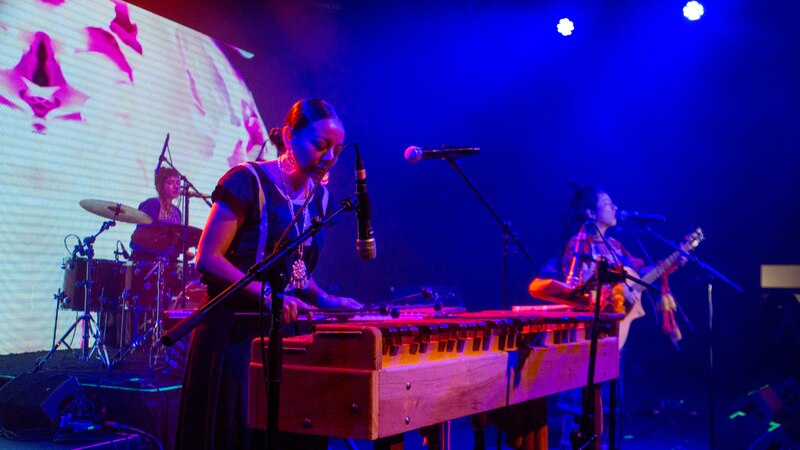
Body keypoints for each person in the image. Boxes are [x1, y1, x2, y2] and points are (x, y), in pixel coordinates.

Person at [174, 98, 362, 450]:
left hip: (286, 337)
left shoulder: (319, 197)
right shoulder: (247, 180)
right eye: (321, 145)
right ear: (289, 136)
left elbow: (295, 270)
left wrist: (322, 297)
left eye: (336, 149)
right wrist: (263, 293)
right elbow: (207, 258)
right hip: (236, 336)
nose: (329, 156)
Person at [129, 167, 183, 261]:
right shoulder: (153, 204)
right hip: (147, 259)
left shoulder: (177, 212)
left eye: (178, 183)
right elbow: (143, 236)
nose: (176, 186)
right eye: (170, 183)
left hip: (167, 261)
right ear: (160, 186)